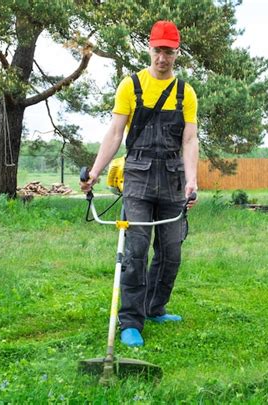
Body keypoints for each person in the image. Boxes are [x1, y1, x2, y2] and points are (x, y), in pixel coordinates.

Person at [80, 20, 199, 347]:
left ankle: (155, 307)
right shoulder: (130, 86)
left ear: (177, 53)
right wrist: (93, 171)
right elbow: (115, 133)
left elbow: (190, 140)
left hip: (173, 179)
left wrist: (192, 181)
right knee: (134, 251)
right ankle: (131, 320)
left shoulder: (185, 92)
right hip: (138, 178)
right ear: (150, 48)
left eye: (169, 51)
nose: (163, 57)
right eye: (158, 50)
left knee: (171, 251)